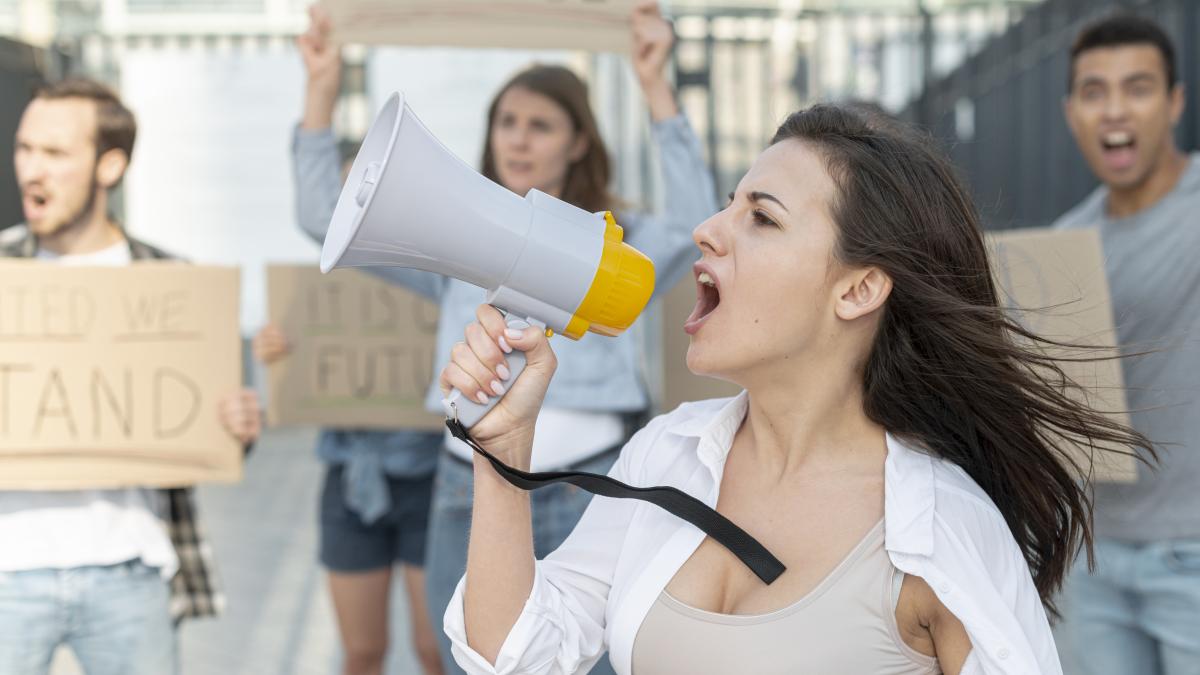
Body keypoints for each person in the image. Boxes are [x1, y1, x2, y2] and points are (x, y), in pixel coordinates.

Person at [438, 104, 1156, 675]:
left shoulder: (936, 531)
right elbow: (515, 656)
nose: (707, 231)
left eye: (762, 217)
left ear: (859, 288)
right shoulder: (668, 454)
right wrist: (501, 455)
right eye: (729, 204)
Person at [290, 3, 717, 673]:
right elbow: (325, 213)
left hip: (589, 488)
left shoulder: (618, 242)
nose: (518, 140)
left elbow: (699, 225)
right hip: (466, 490)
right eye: (507, 123)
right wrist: (320, 84)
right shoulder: (456, 245)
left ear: (578, 142)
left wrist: (656, 84)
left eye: (540, 125)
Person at [0, 77, 261, 675]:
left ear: (109, 165)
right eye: (25, 148)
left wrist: (237, 426)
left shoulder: (172, 282)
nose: (31, 170)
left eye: (56, 153)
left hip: (131, 572)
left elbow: (214, 431)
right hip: (7, 570)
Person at [253, 9, 445, 674]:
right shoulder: (329, 284)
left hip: (428, 472)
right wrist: (282, 356)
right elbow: (303, 354)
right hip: (350, 471)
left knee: (434, 648)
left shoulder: (435, 266)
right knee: (362, 649)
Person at [1052, 14, 1200, 675]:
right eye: (1094, 90)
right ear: (1070, 111)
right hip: (1098, 556)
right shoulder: (1066, 242)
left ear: (1174, 102)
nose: (1114, 109)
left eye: (1137, 87)